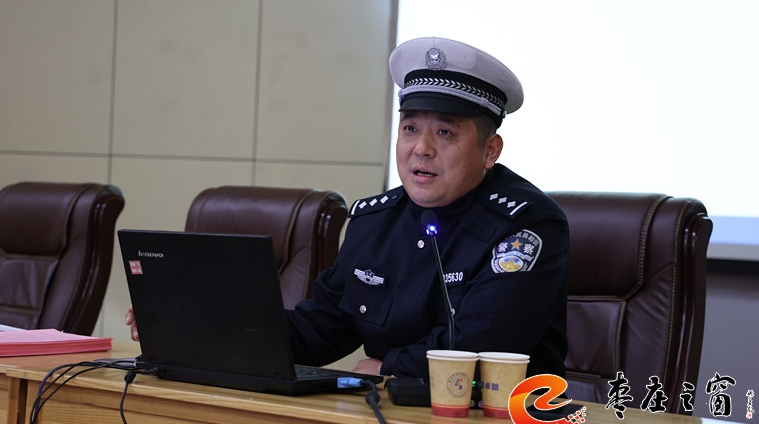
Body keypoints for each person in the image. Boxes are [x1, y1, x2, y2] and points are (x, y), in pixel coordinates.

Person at [127, 36, 569, 380]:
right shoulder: (375, 222)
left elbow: (484, 348)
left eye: (445, 133)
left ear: (490, 150)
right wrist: (194, 326)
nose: (421, 149)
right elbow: (317, 331)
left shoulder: (527, 227)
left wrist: (388, 367)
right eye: (410, 128)